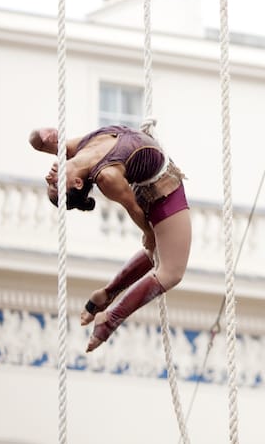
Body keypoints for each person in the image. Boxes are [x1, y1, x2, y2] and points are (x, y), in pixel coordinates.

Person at [29, 124, 192, 353]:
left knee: (157, 255)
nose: (49, 177)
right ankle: (110, 319)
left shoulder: (76, 148)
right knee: (171, 272)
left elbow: (38, 141)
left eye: (48, 182)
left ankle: (104, 294)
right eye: (54, 185)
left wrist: (40, 138)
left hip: (148, 175)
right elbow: (134, 208)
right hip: (161, 188)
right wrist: (148, 233)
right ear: (77, 183)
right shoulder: (106, 177)